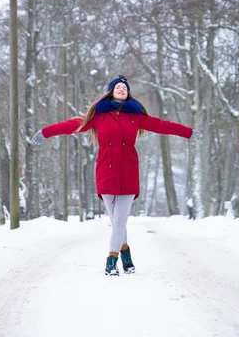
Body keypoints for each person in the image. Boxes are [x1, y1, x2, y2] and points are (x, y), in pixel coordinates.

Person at [31, 74, 201, 276]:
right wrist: (45, 132)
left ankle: (111, 261)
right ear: (111, 91)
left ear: (128, 93)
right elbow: (70, 125)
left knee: (120, 221)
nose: (122, 89)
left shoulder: (136, 116)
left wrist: (188, 132)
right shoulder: (97, 117)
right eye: (118, 86)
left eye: (125, 87)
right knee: (116, 221)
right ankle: (127, 255)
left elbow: (164, 125)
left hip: (129, 171)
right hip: (106, 172)